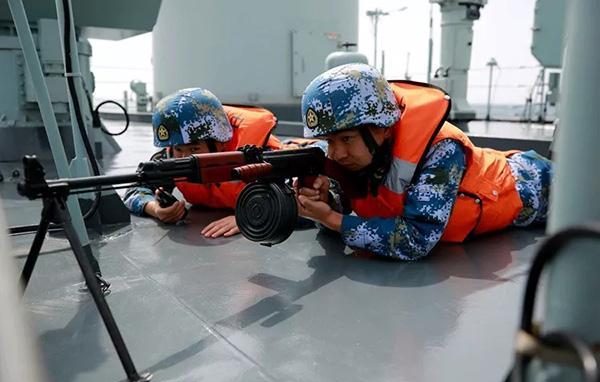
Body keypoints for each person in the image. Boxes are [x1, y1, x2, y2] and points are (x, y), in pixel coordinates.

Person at [295, 63, 552, 260]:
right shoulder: (360, 153)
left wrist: (332, 219)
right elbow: (364, 196)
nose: (336, 154)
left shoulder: (441, 150)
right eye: (329, 141)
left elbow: (417, 238)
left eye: (347, 139)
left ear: (383, 128)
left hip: (539, 185)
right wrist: (329, 200)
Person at [123, 88, 283, 238]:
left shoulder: (259, 155)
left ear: (219, 143)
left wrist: (248, 217)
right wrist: (155, 209)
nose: (184, 157)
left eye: (194, 148)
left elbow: (295, 194)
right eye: (178, 149)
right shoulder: (170, 159)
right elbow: (135, 189)